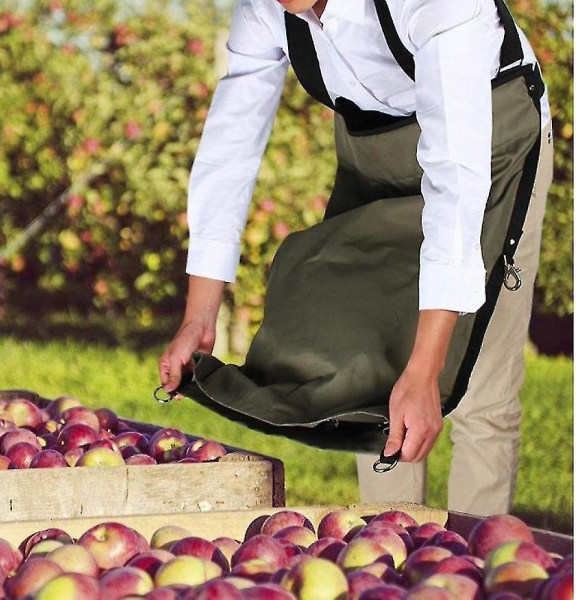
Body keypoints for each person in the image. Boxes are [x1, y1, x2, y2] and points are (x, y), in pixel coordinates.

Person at [159, 0, 552, 516]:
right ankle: (388, 555)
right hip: (379, 160)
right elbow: (229, 150)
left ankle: (470, 568)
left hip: (491, 151)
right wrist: (198, 317)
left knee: (480, 390)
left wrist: (426, 368)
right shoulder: (265, 8)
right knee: (369, 381)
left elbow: (456, 178)